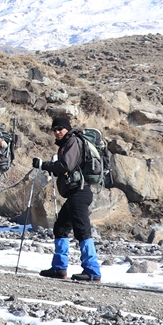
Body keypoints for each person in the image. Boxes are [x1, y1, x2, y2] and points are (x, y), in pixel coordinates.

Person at [34, 116, 102, 282]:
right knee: (60, 228)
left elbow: (66, 166)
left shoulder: (72, 141)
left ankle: (92, 271)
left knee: (82, 230)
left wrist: (44, 165)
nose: (57, 132)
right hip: (75, 193)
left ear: (67, 128)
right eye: (54, 129)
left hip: (79, 192)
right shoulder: (67, 143)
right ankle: (59, 268)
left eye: (60, 129)